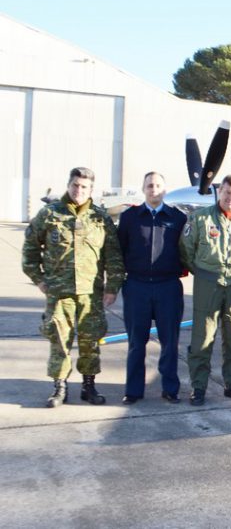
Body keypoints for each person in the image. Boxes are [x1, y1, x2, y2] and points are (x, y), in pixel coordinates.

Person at [22, 167, 125, 408]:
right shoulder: (49, 214)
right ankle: (59, 388)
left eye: (84, 187)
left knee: (91, 341)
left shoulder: (100, 218)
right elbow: (29, 250)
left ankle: (88, 386)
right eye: (75, 185)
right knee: (59, 340)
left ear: (91, 190)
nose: (79, 190)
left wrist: (113, 287)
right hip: (59, 293)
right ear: (69, 185)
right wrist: (38, 279)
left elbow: (113, 255)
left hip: (91, 293)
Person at [181, 174, 231, 406]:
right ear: (220, 192)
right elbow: (186, 250)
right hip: (207, 282)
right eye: (227, 193)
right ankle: (198, 387)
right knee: (202, 337)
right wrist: (203, 272)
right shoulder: (200, 219)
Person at [116, 172, 187, 404]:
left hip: (168, 287)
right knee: (137, 342)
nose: (153, 189)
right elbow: (119, 250)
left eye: (157, 185)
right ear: (143, 188)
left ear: (165, 189)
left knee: (170, 342)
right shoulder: (130, 217)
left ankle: (169, 389)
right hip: (137, 287)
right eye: (149, 185)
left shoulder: (178, 218)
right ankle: (134, 390)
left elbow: (186, 250)